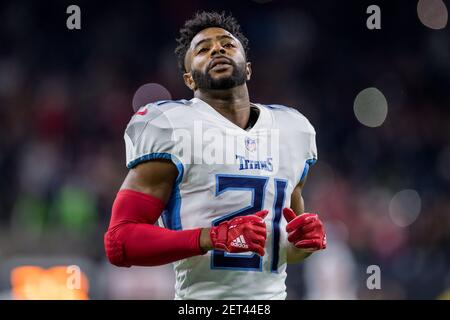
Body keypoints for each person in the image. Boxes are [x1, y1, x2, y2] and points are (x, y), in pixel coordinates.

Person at [104, 11, 326, 300]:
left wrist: (304, 243)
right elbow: (120, 242)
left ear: (247, 68)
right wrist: (211, 237)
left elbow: (282, 248)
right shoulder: (171, 126)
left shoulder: (293, 129)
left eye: (227, 44)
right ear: (189, 78)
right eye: (203, 49)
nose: (217, 50)